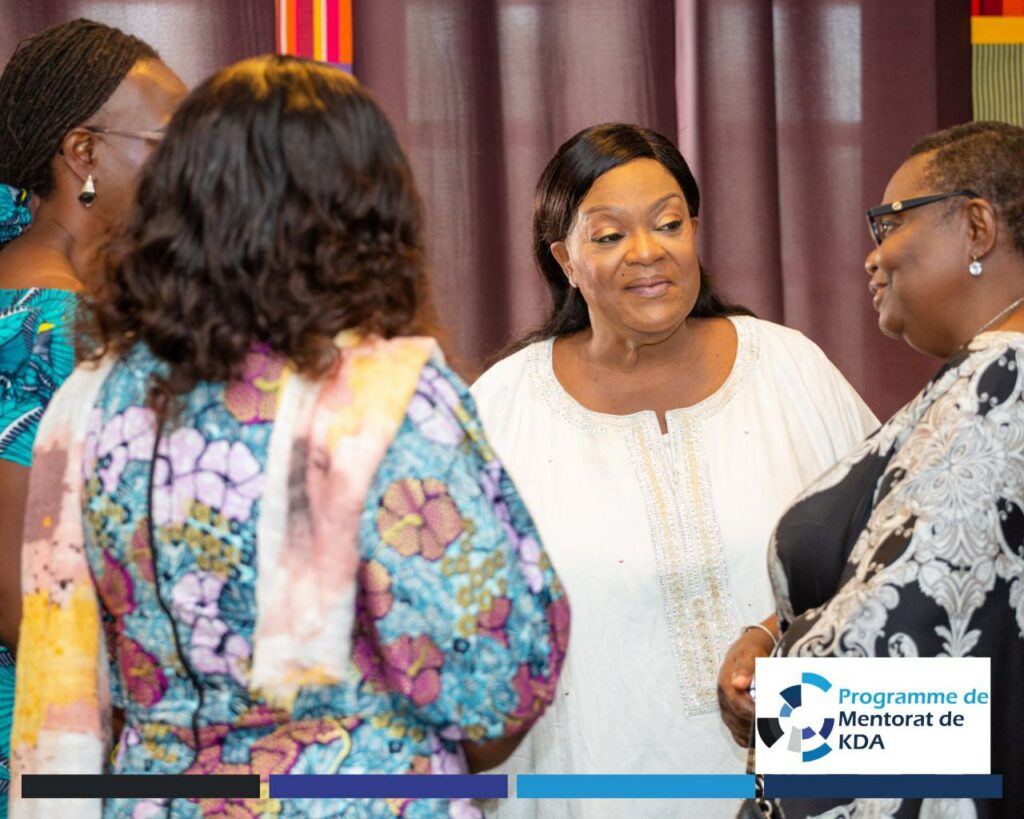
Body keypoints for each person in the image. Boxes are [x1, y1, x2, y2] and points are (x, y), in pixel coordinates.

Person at [9, 55, 568, 819]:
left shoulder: (93, 397)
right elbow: (493, 686)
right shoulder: (382, 396)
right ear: (364, 211)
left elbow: (59, 649)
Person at [470, 122, 877, 819]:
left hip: (800, 785)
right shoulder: (502, 407)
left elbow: (894, 556)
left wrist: (776, 635)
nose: (647, 251)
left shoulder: (790, 368)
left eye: (668, 223)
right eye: (609, 235)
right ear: (565, 259)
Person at [719, 121, 1024, 818]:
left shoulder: (1001, 384)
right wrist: (772, 634)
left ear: (977, 228)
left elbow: (898, 647)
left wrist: (782, 689)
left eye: (890, 222)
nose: (873, 255)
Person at [0, 19, 186, 816]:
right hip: (55, 733)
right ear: (82, 152)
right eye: (169, 143)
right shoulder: (56, 327)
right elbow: (24, 600)